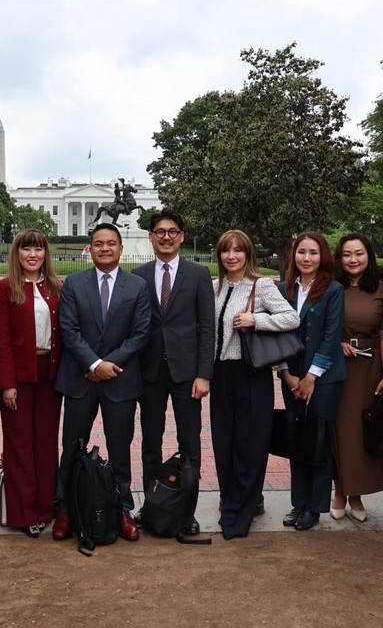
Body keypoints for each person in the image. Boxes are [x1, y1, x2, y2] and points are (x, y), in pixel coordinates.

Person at [52, 223, 150, 542]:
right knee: (72, 448)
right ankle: (65, 508)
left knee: (120, 449)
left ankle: (122, 509)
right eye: (98, 243)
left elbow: (140, 333)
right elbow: (68, 330)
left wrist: (109, 366)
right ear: (90, 248)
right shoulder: (74, 284)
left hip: (120, 381)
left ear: (121, 248)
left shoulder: (137, 286)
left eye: (111, 243)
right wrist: (94, 364)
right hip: (80, 379)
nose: (104, 248)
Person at [210, 230, 298, 539]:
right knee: (224, 442)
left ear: (248, 254)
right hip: (220, 374)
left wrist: (256, 320)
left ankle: (244, 507)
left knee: (250, 444)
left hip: (250, 373)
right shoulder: (214, 286)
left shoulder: (261, 285)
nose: (231, 256)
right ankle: (230, 499)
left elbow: (291, 318)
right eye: (226, 250)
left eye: (238, 250)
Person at [132, 209, 215, 536]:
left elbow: (207, 327)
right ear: (151, 237)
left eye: (172, 232)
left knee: (189, 443)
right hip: (150, 372)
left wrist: (204, 373)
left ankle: (186, 511)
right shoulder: (138, 275)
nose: (166, 237)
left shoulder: (198, 274)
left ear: (181, 237)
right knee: (150, 443)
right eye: (160, 232)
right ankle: (152, 507)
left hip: (187, 374)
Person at [0, 230, 63, 537]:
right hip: (19, 375)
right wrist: (7, 383)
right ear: (17, 253)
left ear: (46, 254)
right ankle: (24, 512)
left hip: (50, 373)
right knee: (19, 443)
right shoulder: (5, 288)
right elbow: (2, 340)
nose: (33, 255)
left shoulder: (56, 286)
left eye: (38, 249)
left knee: (46, 442)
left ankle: (46, 507)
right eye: (26, 249)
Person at [278, 232, 346, 532]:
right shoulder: (283, 289)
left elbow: (332, 336)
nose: (307, 258)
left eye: (313, 253)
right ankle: (299, 501)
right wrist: (286, 373)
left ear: (323, 257)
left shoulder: (333, 290)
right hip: (290, 377)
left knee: (318, 441)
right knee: (296, 439)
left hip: (323, 379)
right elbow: (276, 334)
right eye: (302, 252)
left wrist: (311, 377)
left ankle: (315, 506)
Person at [331, 234, 383, 523]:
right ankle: (340, 492)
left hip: (369, 369)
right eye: (347, 254)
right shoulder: (331, 288)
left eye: (359, 253)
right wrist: (336, 343)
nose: (353, 259)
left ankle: (355, 493)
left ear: (369, 256)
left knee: (360, 432)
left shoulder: (382, 290)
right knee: (339, 432)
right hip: (337, 368)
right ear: (339, 258)